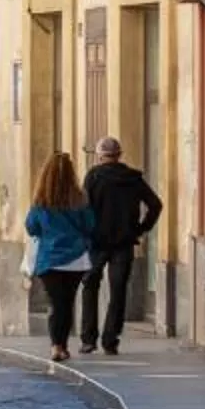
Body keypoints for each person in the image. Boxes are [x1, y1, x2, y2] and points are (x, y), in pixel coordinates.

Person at [83, 135, 164, 356]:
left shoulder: (93, 177)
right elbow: (155, 205)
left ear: (100, 156)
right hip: (124, 243)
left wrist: (86, 232)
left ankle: (88, 339)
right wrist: (141, 228)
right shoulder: (133, 178)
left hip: (97, 243)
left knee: (90, 287)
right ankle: (110, 340)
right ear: (119, 155)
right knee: (118, 292)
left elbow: (84, 208)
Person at [24, 150, 98, 362]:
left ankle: (57, 346)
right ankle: (62, 345)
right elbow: (90, 225)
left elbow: (31, 227)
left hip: (50, 260)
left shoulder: (41, 202)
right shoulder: (80, 199)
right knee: (67, 302)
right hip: (76, 259)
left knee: (56, 303)